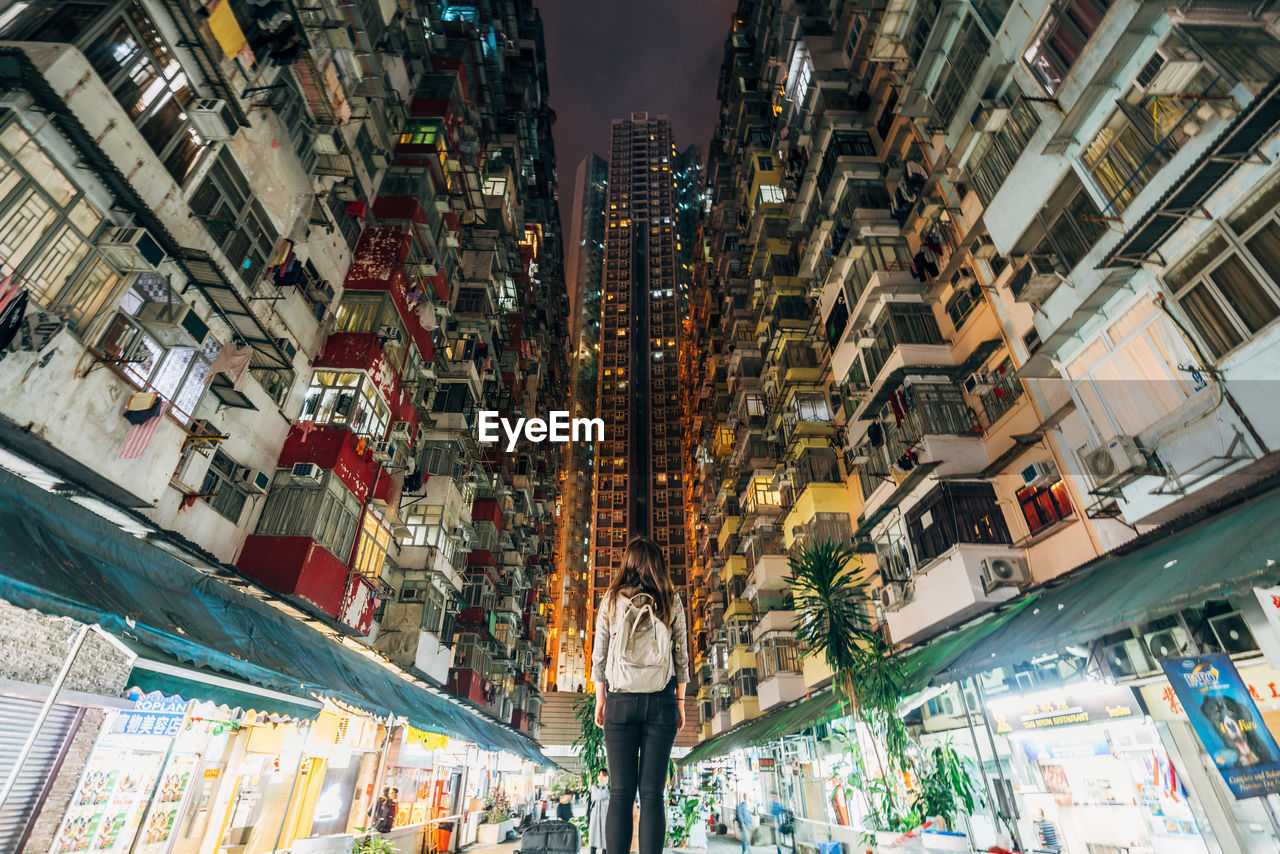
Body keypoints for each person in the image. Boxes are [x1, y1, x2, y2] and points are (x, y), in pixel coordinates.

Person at [591, 536, 689, 854]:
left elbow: (599, 656)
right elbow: (682, 658)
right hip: (662, 702)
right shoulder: (671, 600)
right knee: (652, 795)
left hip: (619, 703)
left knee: (620, 793)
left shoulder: (610, 600)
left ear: (627, 564)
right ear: (659, 565)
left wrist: (600, 698)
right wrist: (680, 703)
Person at [587, 770, 610, 854]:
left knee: (606, 839)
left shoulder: (609, 788)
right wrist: (606, 796)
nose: (601, 778)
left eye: (603, 776)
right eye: (599, 775)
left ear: (607, 778)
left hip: (606, 816)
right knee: (593, 839)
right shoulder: (594, 787)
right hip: (595, 815)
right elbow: (598, 796)